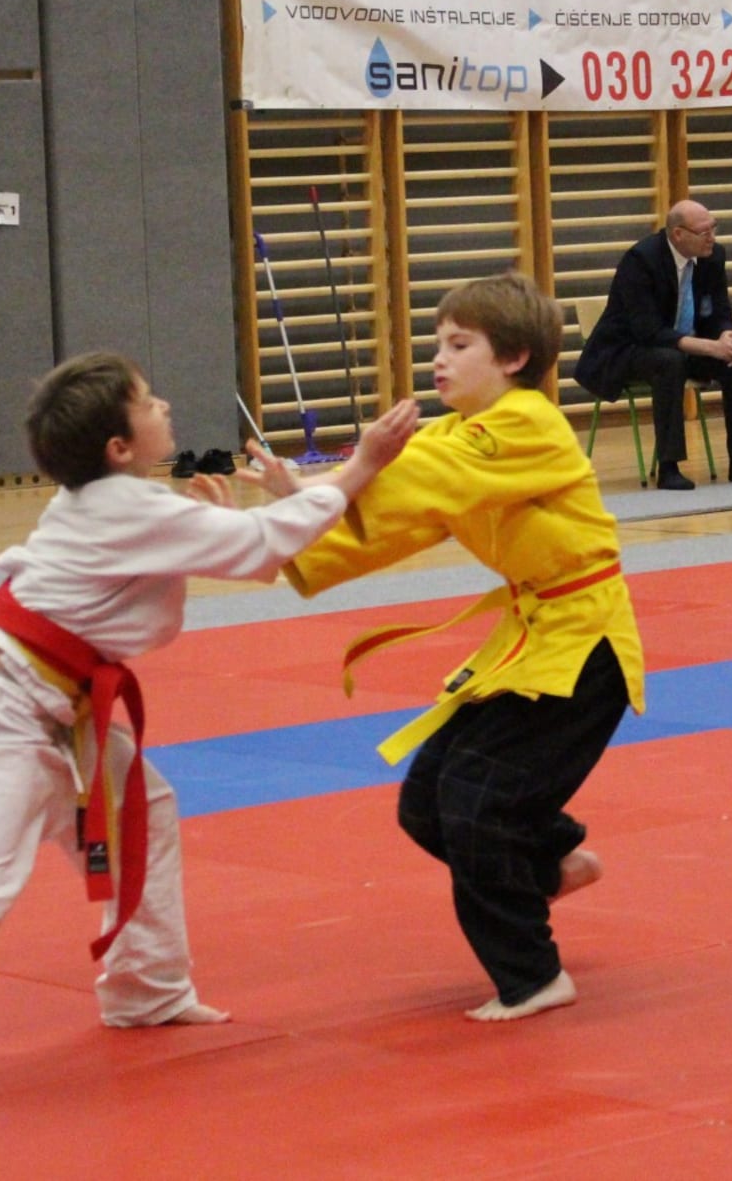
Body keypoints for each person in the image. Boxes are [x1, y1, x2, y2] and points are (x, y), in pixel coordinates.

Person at [0, 352, 418, 1117]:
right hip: (7, 710)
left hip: (54, 707)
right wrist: (364, 462)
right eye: (148, 400)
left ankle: (147, 989)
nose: (164, 404)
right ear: (118, 445)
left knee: (146, 810)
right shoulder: (124, 506)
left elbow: (247, 552)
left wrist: (223, 524)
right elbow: (263, 544)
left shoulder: (116, 500)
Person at [272, 272, 643, 1022]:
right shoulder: (453, 437)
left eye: (459, 344)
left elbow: (414, 480)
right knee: (426, 805)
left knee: (476, 804)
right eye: (437, 342)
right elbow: (399, 520)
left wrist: (338, 479)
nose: (438, 358)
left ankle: (533, 975)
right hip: (532, 640)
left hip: (584, 647)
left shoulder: (530, 423)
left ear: (512, 357)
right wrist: (296, 514)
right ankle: (549, 859)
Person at [573, 199, 732, 490]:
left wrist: (727, 336)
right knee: (669, 361)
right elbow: (647, 330)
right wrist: (710, 347)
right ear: (678, 234)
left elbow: (718, 311)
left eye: (714, 228)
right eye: (704, 232)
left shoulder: (713, 256)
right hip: (628, 349)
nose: (712, 237)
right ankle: (669, 466)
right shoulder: (641, 259)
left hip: (683, 344)